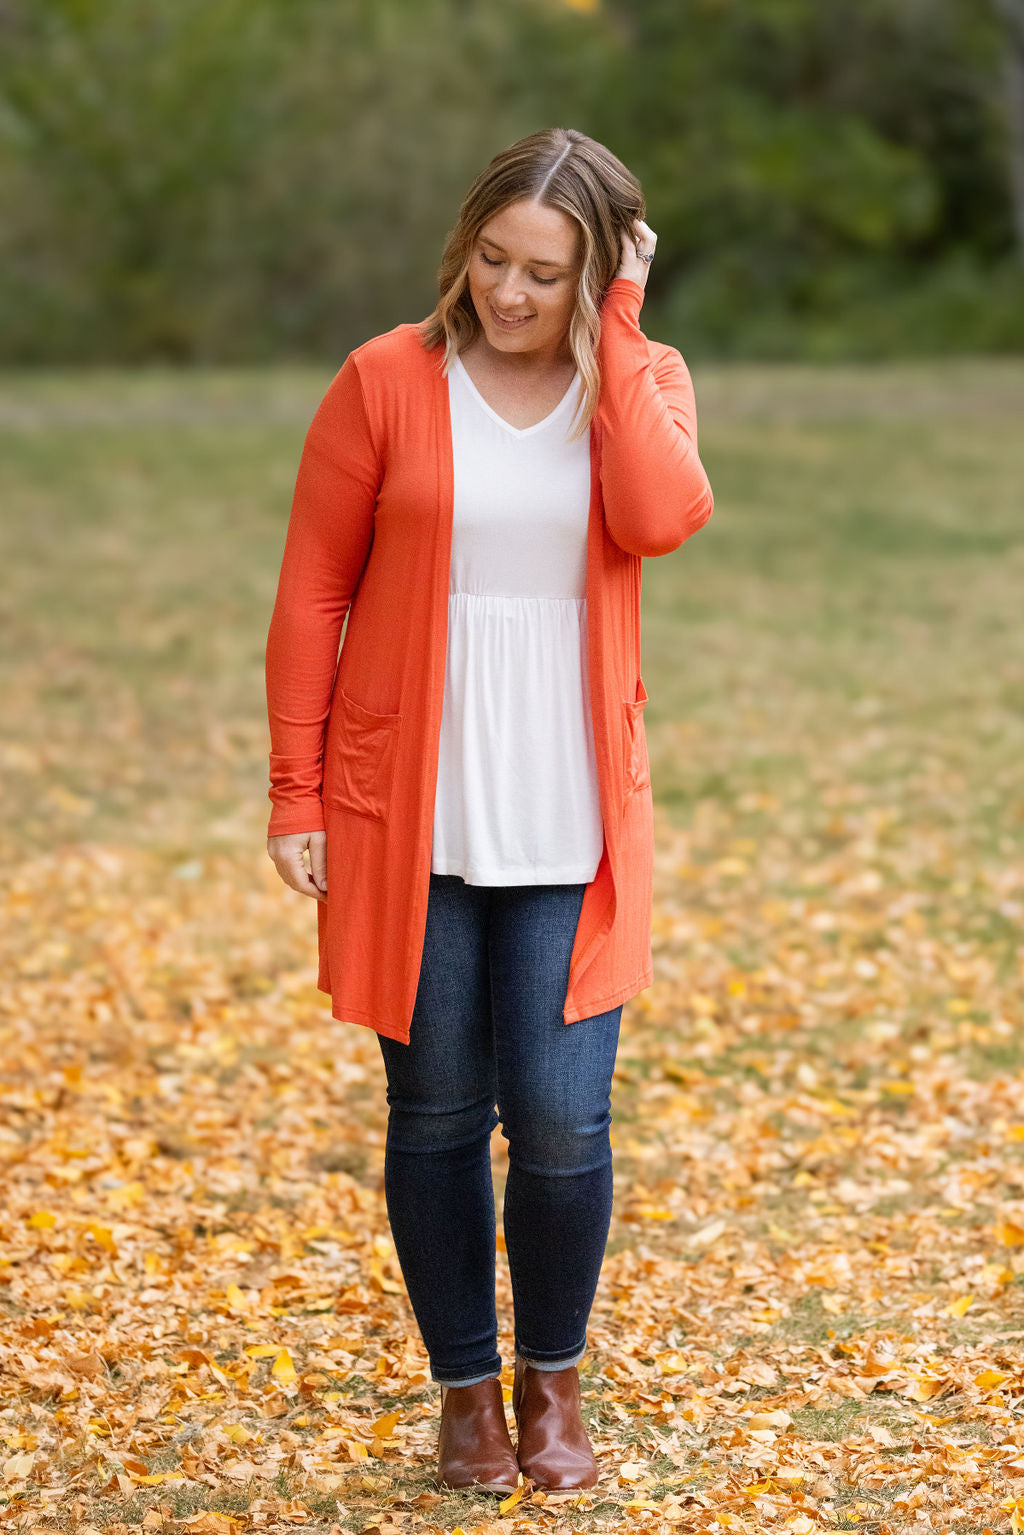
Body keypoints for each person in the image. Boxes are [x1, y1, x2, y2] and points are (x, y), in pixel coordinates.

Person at [264, 127, 714, 1496]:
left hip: (572, 806)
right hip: (413, 807)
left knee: (569, 1120)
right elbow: (313, 595)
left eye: (548, 275)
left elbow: (661, 514)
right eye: (495, 261)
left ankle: (553, 1391)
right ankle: (466, 1397)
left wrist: (621, 329)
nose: (511, 296)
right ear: (465, 243)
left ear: (597, 278)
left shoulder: (636, 381)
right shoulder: (385, 381)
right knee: (440, 1115)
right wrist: (298, 790)